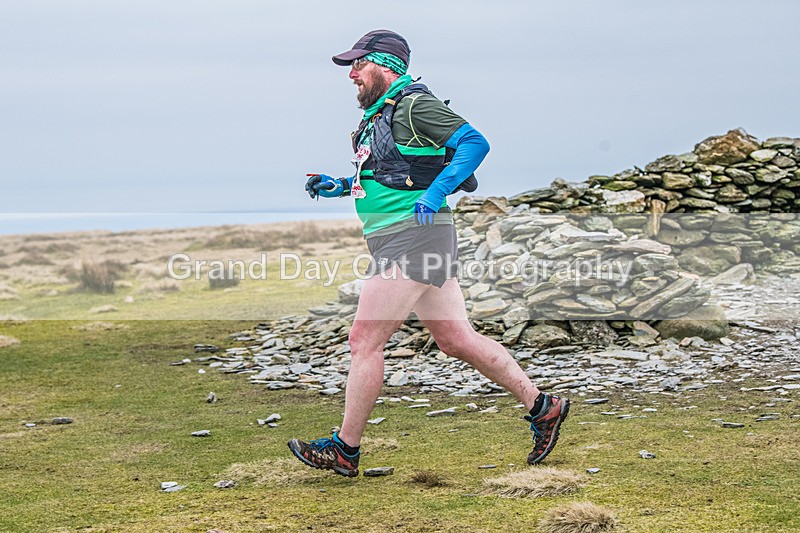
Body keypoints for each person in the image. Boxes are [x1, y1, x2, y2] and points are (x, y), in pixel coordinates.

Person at [288, 30, 569, 477]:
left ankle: (345, 449)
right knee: (455, 340)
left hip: (414, 236)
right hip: (405, 235)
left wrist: (436, 194)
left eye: (359, 64)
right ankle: (543, 406)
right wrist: (339, 185)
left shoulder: (414, 104)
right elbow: (391, 173)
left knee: (364, 341)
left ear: (385, 65)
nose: (352, 75)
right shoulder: (379, 115)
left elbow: (475, 143)